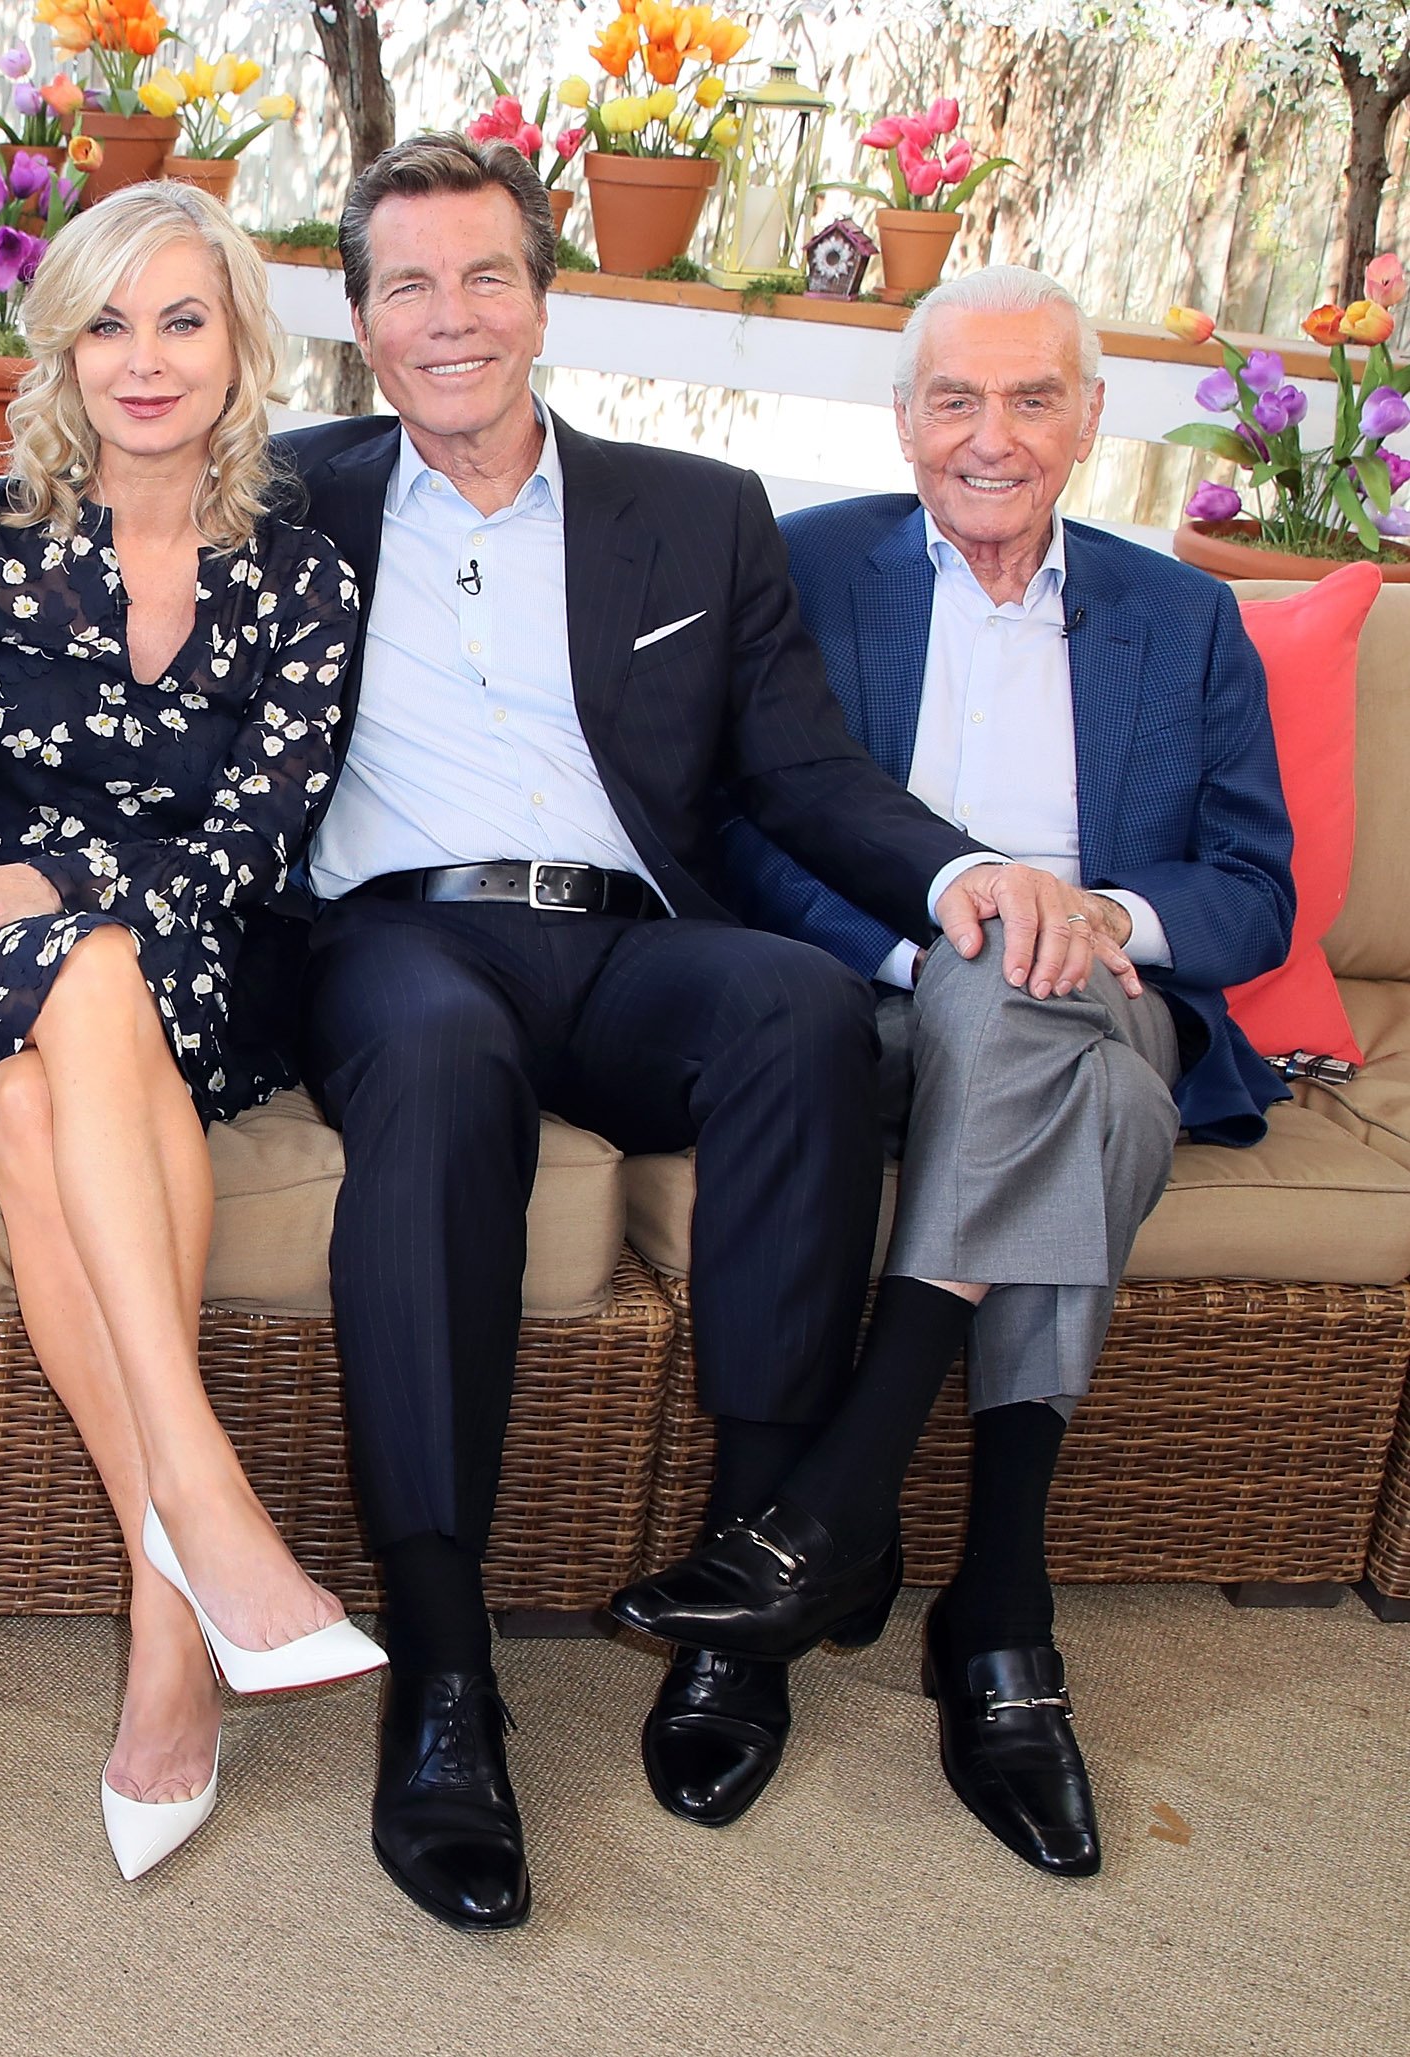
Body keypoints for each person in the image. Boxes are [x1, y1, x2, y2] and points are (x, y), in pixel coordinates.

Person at [272, 135, 1118, 1933]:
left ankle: (751, 1603)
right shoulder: (281, 495)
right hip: (400, 939)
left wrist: (963, 871)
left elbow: (803, 773)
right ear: (357, 320)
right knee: (432, 1058)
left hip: (628, 937)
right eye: (406, 285)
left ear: (543, 296)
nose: (449, 318)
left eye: (484, 275)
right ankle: (440, 1670)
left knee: (804, 1006)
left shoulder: (693, 507)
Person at [610, 265, 1293, 1877]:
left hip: (1106, 983)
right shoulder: (806, 566)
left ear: (1089, 418)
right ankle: (996, 1611)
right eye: (957, 400)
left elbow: (1255, 888)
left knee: (1056, 1012)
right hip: (879, 989)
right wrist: (943, 933)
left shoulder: (1185, 615)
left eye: (1032, 397)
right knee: (1086, 1088)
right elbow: (739, 826)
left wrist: (1098, 917)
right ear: (905, 417)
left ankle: (821, 1520)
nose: (993, 436)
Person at [0, 179, 382, 1883]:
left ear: (238, 347)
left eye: (182, 319)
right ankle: (211, 1521)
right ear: (59, 349)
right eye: (107, 321)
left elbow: (252, 845)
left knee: (49, 1084)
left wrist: (47, 867)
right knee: (70, 980)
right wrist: (15, 882)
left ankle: (174, 1616)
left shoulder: (300, 578)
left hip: (192, 974)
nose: (144, 359)